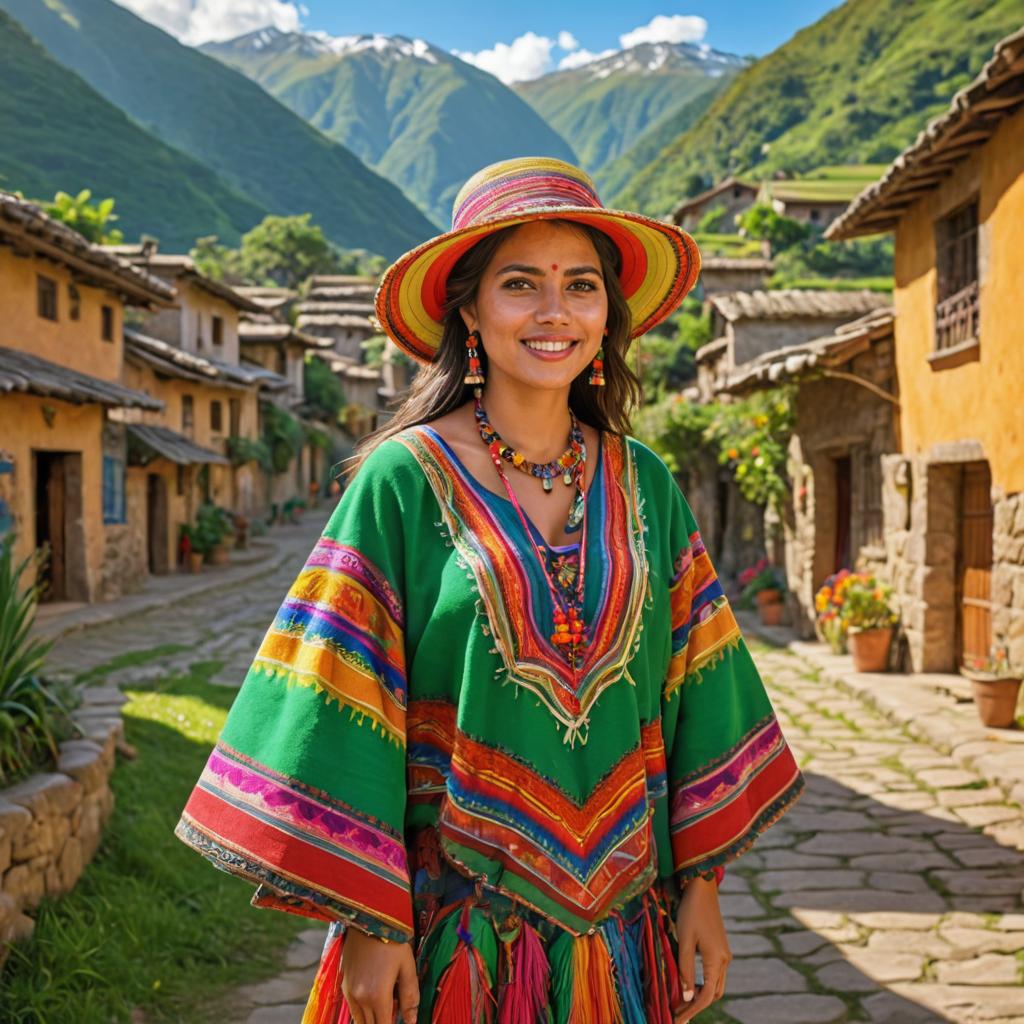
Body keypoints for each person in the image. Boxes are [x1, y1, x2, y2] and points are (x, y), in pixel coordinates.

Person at [175, 157, 804, 1024]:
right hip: (448, 939)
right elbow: (336, 697)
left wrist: (700, 886)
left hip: (626, 934)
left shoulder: (647, 483)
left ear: (607, 315)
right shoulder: (401, 482)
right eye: (520, 284)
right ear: (468, 307)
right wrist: (370, 920)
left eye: (581, 286)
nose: (555, 312)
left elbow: (700, 684)